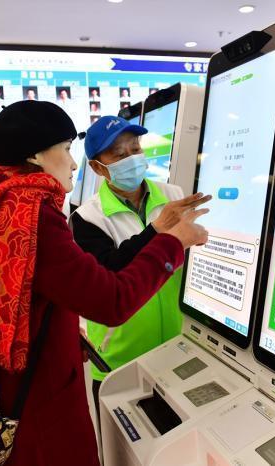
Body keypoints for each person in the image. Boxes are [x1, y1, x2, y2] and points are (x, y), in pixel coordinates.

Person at [0, 100, 208, 465]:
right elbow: (111, 301)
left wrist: (59, 326)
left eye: (135, 149)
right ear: (36, 155)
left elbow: (17, 290)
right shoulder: (30, 215)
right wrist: (171, 242)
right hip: (40, 398)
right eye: (66, 149)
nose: (72, 164)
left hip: (10, 382)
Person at [70, 115, 211, 420]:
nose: (132, 159)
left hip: (179, 351)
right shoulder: (87, 218)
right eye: (119, 155)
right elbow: (110, 272)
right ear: (98, 168)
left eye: (135, 149)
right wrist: (158, 230)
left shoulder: (174, 196)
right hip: (119, 362)